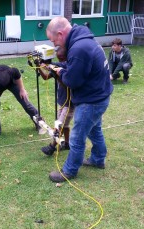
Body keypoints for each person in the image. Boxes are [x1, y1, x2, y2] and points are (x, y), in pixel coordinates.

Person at [45, 17, 113, 182]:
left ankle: (69, 171)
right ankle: (98, 159)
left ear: (60, 34)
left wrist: (60, 72)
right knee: (94, 130)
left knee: (76, 137)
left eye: (54, 41)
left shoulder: (79, 48)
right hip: (100, 96)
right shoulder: (82, 40)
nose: (55, 45)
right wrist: (58, 66)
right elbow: (76, 67)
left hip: (91, 101)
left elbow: (72, 81)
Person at [39, 47, 74, 156]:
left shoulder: (69, 69)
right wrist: (39, 68)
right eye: (59, 59)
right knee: (65, 124)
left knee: (60, 125)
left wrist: (56, 73)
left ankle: (52, 147)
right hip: (62, 101)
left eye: (62, 59)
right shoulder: (57, 67)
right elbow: (45, 77)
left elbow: (66, 84)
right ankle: (67, 144)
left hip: (70, 103)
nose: (60, 61)